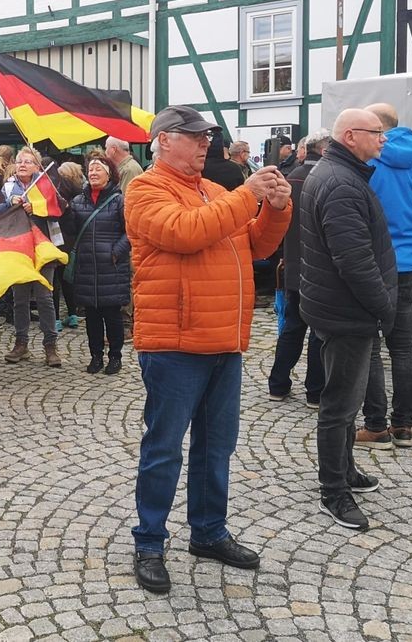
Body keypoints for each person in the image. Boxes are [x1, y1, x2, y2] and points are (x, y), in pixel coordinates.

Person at [127, 105, 292, 593]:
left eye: (207, 137)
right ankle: (150, 541)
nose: (205, 144)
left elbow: (255, 247)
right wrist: (248, 195)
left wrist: (278, 208)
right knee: (164, 449)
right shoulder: (145, 189)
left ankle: (208, 531)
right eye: (194, 136)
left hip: (223, 338)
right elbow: (186, 233)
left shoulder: (214, 190)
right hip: (176, 341)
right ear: (162, 141)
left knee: (215, 447)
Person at [299, 109, 396, 531]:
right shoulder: (339, 182)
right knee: (339, 406)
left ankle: (347, 470)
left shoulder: (339, 172)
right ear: (351, 136)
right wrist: (385, 307)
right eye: (378, 134)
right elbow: (353, 261)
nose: (383, 140)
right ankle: (333, 490)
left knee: (348, 401)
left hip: (339, 307)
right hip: (346, 311)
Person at [354, 103, 412, 450]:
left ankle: (376, 426)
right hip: (407, 266)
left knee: (371, 346)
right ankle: (404, 426)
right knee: (403, 346)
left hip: (373, 265)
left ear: (377, 130)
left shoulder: (367, 164)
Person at [267, 130, 329, 406]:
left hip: (293, 264)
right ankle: (315, 392)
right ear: (324, 149)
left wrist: (283, 255)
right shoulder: (329, 179)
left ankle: (278, 385)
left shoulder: (291, 178)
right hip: (321, 269)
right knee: (318, 333)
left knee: (292, 327)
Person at [0, 146, 63, 367]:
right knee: (19, 298)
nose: (22, 164)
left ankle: (51, 345)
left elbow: (60, 208)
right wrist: (9, 204)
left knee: (44, 297)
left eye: (28, 162)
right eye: (20, 161)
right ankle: (21, 344)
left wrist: (37, 207)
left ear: (37, 166)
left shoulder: (46, 186)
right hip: (18, 247)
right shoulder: (7, 187)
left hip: (43, 246)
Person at [66, 155, 129, 374]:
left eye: (98, 169)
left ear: (109, 173)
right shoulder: (77, 201)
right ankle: (95, 356)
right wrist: (64, 212)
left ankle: (115, 357)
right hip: (87, 267)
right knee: (91, 317)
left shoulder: (119, 200)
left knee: (112, 316)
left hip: (111, 267)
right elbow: (71, 230)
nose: (93, 173)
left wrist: (115, 252)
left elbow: (130, 232)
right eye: (90, 169)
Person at [53, 161, 85, 330]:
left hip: (56, 240)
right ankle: (72, 315)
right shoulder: (80, 193)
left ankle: (56, 319)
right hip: (72, 242)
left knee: (54, 280)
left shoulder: (56, 191)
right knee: (68, 279)